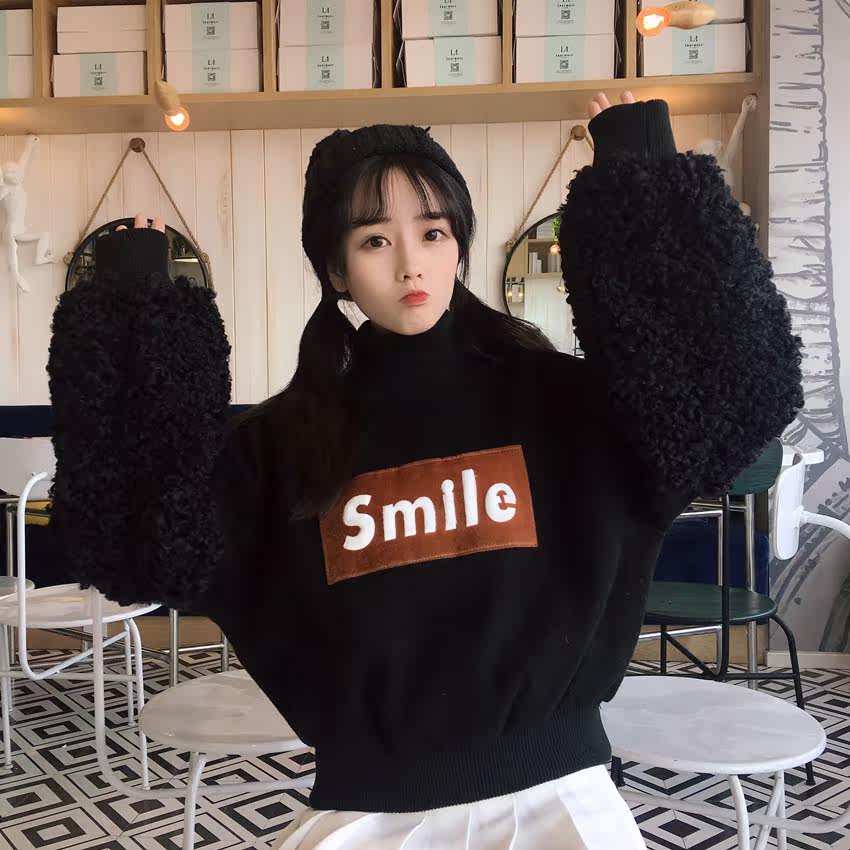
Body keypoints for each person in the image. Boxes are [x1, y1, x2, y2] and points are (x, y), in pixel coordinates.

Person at [46, 92, 804, 849]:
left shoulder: (565, 405)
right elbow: (144, 545)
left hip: (558, 802)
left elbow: (719, 408)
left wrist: (644, 174)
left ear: (458, 247)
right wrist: (135, 314)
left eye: (432, 232)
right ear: (336, 269)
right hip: (370, 816)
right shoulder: (280, 446)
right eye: (374, 240)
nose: (410, 262)